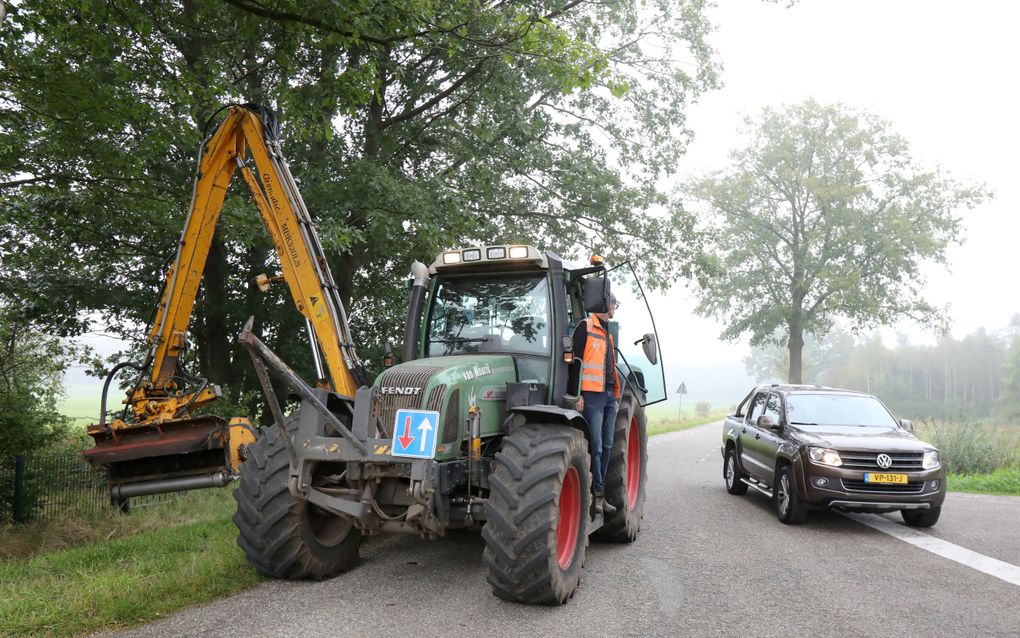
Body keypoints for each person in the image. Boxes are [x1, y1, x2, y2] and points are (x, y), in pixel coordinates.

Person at [566, 292, 621, 516]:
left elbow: (611, 365)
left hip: (609, 395)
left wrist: (616, 395)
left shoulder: (607, 332)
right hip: (591, 396)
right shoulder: (585, 327)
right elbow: (574, 362)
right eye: (613, 303)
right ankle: (596, 496)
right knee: (596, 446)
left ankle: (600, 493)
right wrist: (576, 395)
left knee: (608, 445)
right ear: (604, 303)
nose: (615, 307)